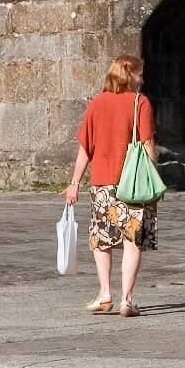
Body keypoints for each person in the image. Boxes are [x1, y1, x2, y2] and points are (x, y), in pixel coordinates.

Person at [64, 53, 158, 318]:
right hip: (133, 183)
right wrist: (153, 179)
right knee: (132, 241)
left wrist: (74, 184)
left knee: (102, 240)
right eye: (139, 73)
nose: (142, 78)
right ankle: (126, 300)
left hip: (102, 183)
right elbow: (148, 144)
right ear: (129, 75)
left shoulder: (97, 103)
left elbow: (86, 148)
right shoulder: (141, 102)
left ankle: (105, 294)